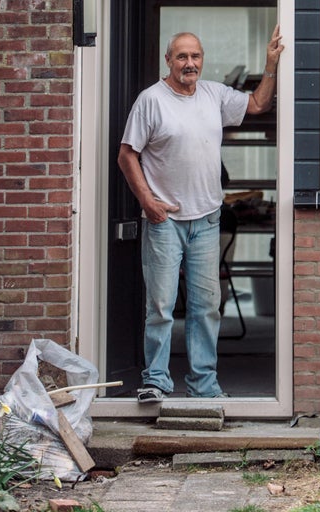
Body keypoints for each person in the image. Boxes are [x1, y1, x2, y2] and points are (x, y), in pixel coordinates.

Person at [117, 26, 284, 403]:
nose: (189, 63)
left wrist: (270, 64)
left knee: (206, 307)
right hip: (165, 221)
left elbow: (257, 104)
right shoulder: (151, 100)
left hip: (208, 219)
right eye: (182, 56)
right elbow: (127, 154)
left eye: (195, 56)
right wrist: (148, 202)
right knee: (160, 306)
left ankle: (204, 384)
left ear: (202, 60)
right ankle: (157, 380)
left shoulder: (213, 95)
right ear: (169, 60)